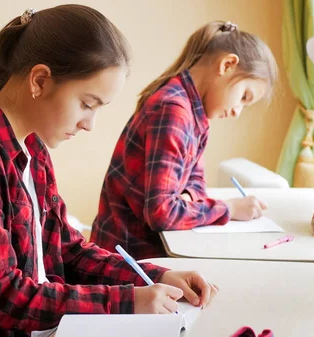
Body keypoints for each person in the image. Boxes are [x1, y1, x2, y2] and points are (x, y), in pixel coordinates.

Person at [0, 6, 217, 336]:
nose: (89, 124)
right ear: (40, 80)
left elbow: (68, 250)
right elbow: (4, 298)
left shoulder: (34, 149)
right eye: (87, 104)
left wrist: (153, 278)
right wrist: (127, 301)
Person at [91, 21, 279, 260]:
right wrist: (229, 208)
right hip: (130, 260)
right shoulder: (173, 111)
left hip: (150, 251)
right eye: (243, 96)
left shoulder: (195, 113)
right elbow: (162, 213)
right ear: (227, 65)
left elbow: (197, 181)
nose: (236, 111)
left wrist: (187, 198)